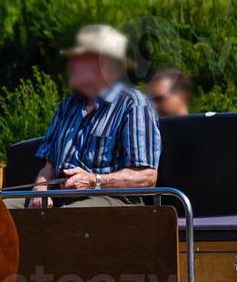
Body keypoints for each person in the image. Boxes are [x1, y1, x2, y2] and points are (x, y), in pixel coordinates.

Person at [29, 24, 162, 209]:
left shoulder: (134, 104)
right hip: (60, 201)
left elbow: (147, 177)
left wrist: (94, 181)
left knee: (68, 217)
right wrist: (40, 189)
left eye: (79, 59)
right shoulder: (67, 106)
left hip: (114, 203)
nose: (71, 65)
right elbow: (49, 166)